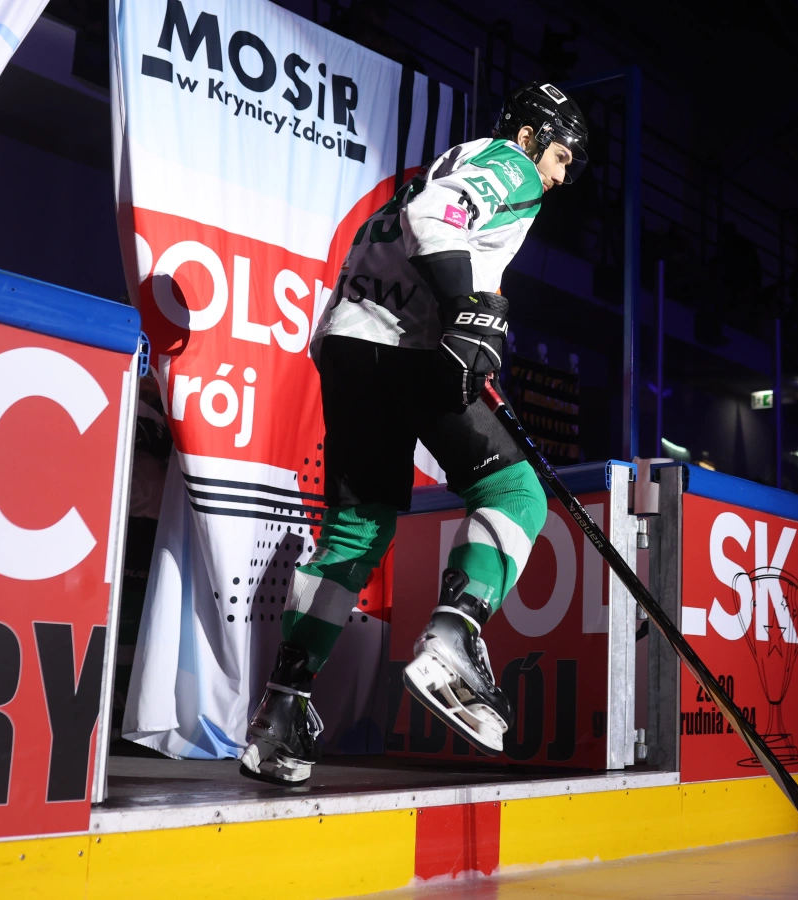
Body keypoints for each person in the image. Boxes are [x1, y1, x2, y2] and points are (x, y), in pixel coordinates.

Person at [240, 82, 589, 784]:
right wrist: (468, 309)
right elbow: (435, 217)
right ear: (530, 138)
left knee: (356, 532)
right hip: (408, 343)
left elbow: (404, 228)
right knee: (516, 493)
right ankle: (453, 635)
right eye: (559, 158)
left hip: (348, 345)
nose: (557, 178)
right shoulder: (510, 163)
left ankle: (279, 713)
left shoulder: (448, 162)